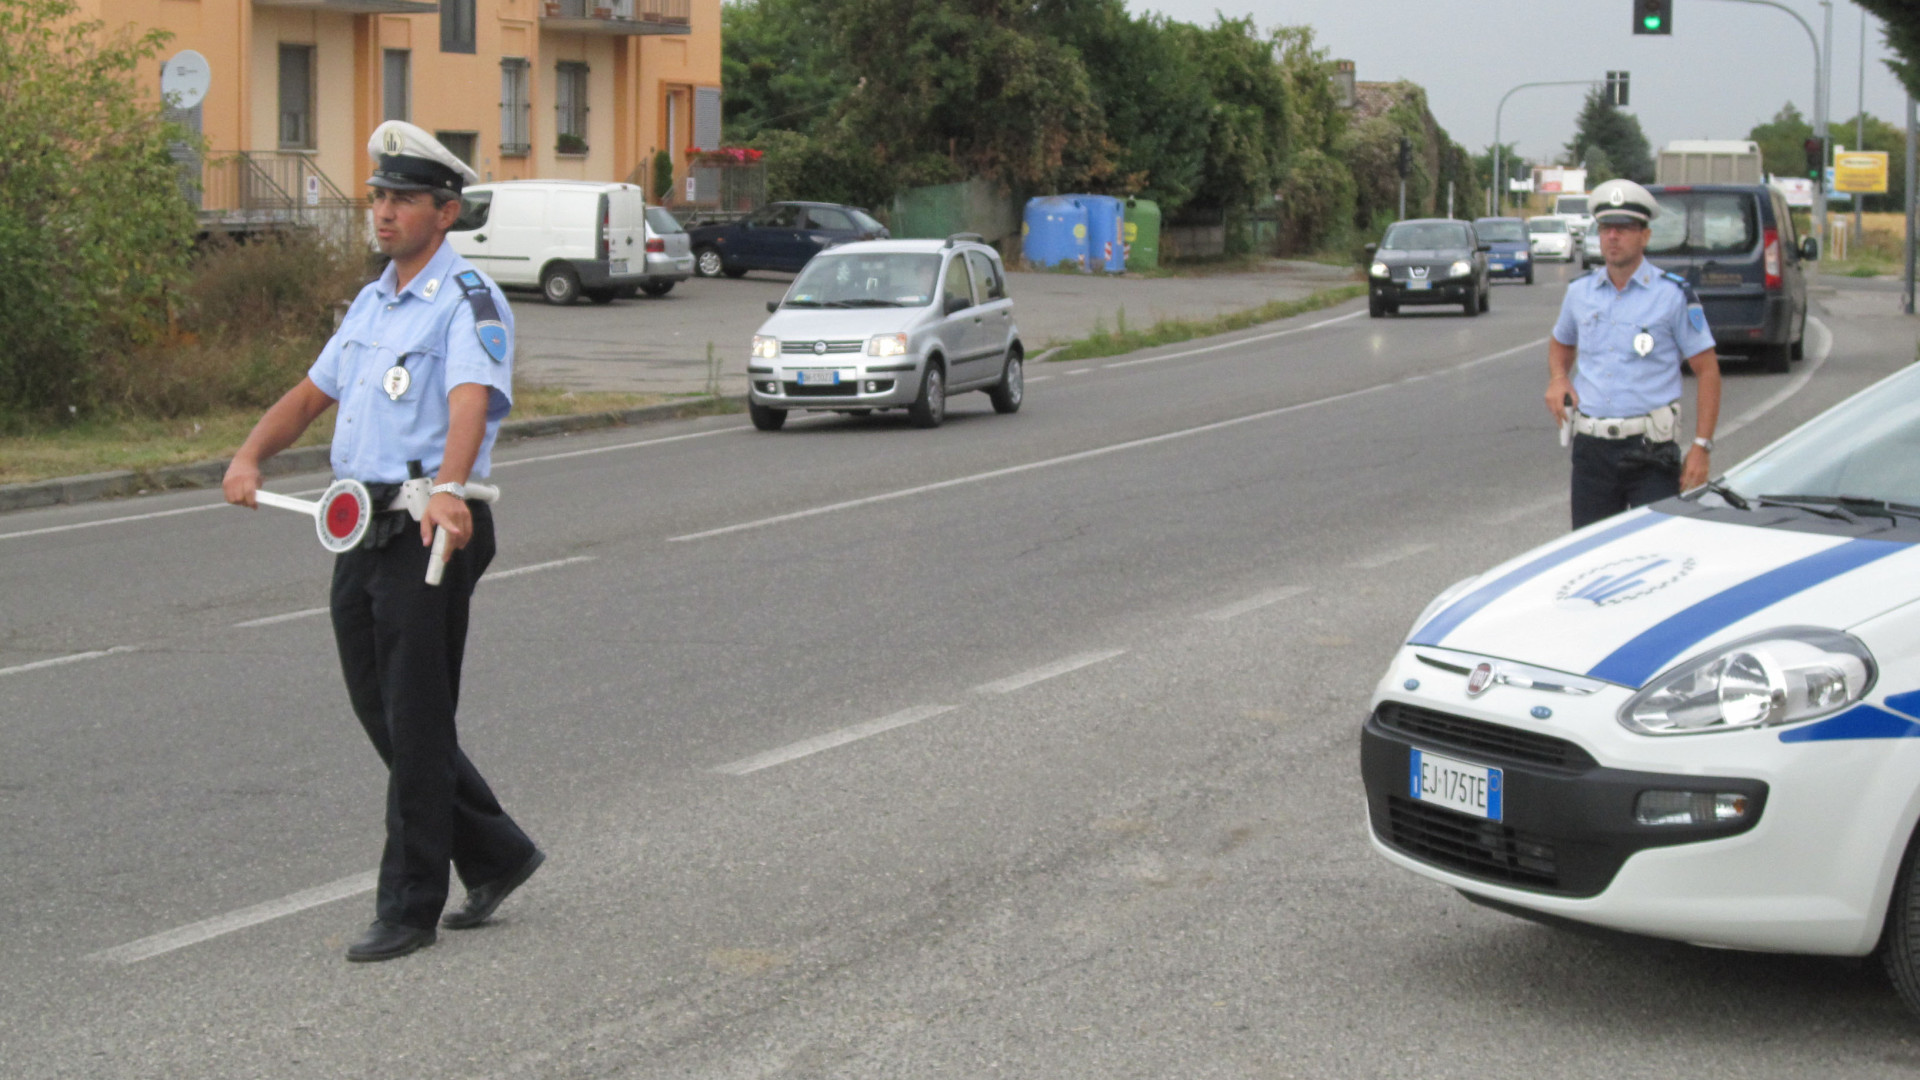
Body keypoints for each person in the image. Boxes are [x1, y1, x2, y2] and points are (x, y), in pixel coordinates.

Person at [222, 120, 543, 962]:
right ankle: (497, 852)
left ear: (446, 210)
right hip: (361, 525)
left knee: (415, 713)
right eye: (378, 197)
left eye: (402, 199)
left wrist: (446, 488)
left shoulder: (470, 299)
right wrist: (251, 454)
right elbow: (311, 392)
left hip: (431, 526)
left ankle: (409, 906)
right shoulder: (374, 301)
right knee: (385, 709)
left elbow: (471, 398)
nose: (384, 211)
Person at [1545, 177, 1721, 531]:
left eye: (1624, 228)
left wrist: (1701, 447)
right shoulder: (1580, 293)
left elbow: (1708, 371)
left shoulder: (1672, 296)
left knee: (1653, 555)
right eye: (1606, 228)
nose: (1613, 236)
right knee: (1591, 559)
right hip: (1592, 450)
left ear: (1645, 236)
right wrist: (1559, 377)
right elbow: (1561, 342)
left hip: (1650, 452)